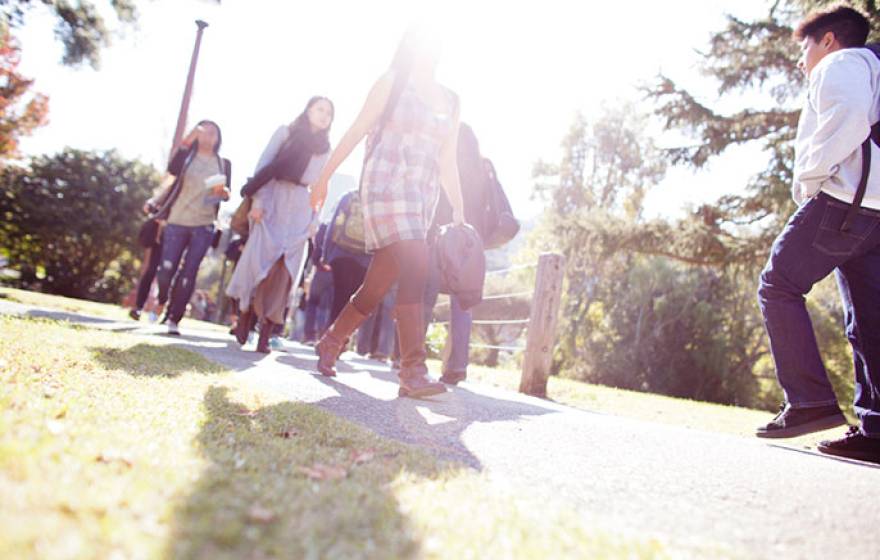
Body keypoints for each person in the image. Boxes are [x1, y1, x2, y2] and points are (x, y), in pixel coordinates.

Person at [310, 27, 465, 398]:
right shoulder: (392, 82)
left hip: (421, 198)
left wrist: (460, 207)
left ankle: (331, 341)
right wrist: (325, 176)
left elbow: (448, 159)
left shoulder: (451, 100)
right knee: (416, 262)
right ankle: (412, 369)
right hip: (384, 186)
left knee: (378, 282)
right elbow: (356, 129)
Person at [755, 5, 880, 464]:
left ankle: (809, 403)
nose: (802, 59)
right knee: (870, 322)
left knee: (779, 285)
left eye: (805, 46)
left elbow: (848, 114)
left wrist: (810, 178)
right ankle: (876, 430)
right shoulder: (875, 68)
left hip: (843, 203)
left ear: (828, 40)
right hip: (876, 215)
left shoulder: (842, 63)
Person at [226, 96, 334, 353]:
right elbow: (264, 165)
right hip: (273, 198)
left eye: (329, 113)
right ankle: (246, 316)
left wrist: (314, 220)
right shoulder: (286, 133)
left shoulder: (326, 149)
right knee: (259, 262)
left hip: (300, 206)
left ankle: (266, 331)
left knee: (285, 272)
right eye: (320, 109)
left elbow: (321, 187)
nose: (324, 115)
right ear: (308, 110)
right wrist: (258, 201)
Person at [423, 123, 491, 385]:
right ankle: (457, 367)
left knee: (427, 296)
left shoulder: (443, 163)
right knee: (463, 303)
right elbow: (487, 207)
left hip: (441, 238)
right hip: (471, 244)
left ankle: (410, 357)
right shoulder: (483, 168)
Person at [151, 120, 231, 335]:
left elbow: (219, 196)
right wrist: (189, 138)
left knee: (189, 273)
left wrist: (223, 194)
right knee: (166, 269)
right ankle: (163, 299)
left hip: (204, 225)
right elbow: (172, 169)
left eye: (214, 133)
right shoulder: (187, 157)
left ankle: (174, 319)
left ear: (219, 138)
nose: (208, 136)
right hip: (177, 220)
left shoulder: (222, 163)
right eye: (204, 132)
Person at [322, 189, 372, 327]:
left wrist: (326, 254)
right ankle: (341, 338)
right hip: (366, 257)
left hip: (341, 252)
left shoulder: (349, 197)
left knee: (339, 296)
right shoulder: (380, 200)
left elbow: (333, 225)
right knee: (353, 301)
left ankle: (330, 335)